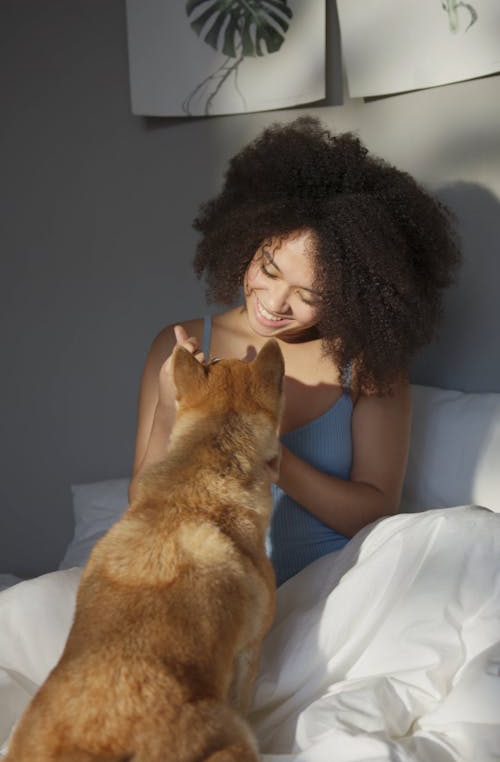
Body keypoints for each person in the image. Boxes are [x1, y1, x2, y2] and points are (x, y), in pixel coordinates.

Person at [129, 116, 461, 585]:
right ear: (248, 238)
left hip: (332, 592)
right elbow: (142, 506)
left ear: (353, 297)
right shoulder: (180, 342)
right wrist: (169, 404)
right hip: (211, 592)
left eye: (309, 296)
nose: (274, 303)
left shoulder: (367, 366)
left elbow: (375, 511)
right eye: (268, 267)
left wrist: (275, 461)